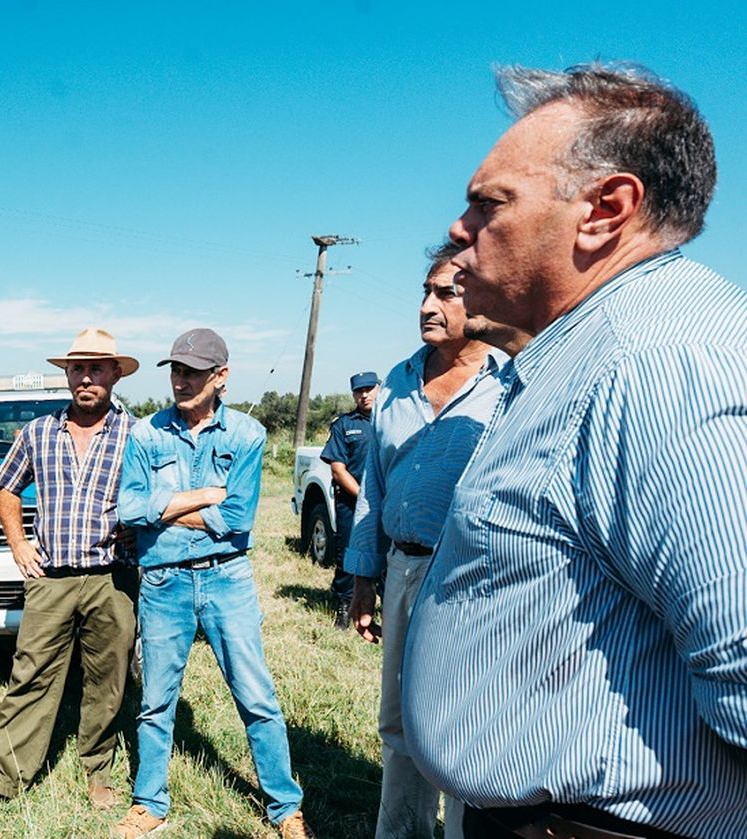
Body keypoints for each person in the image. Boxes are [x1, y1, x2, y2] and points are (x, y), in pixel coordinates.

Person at [404, 63, 747, 838]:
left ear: (604, 210)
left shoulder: (661, 364)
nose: (459, 229)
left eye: (488, 202)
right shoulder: (595, 354)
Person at [117, 328, 314, 839]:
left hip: (227, 579)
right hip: (163, 581)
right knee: (156, 699)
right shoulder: (146, 433)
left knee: (256, 697)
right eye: (176, 371)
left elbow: (238, 517)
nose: (180, 381)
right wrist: (202, 495)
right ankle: (149, 804)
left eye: (193, 372)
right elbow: (130, 508)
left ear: (220, 377)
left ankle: (284, 807)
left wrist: (166, 509)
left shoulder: (246, 434)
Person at [342, 243, 507, 839]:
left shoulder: (512, 383)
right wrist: (364, 583)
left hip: (475, 580)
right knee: (399, 724)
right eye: (426, 291)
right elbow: (375, 492)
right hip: (404, 570)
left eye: (447, 293)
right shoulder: (397, 383)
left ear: (482, 302)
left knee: (462, 728)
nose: (427, 306)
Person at [0, 328, 140, 821]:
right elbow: (6, 487)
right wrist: (19, 544)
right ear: (66, 374)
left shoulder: (137, 434)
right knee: (30, 674)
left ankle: (97, 767)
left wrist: (137, 530)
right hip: (51, 579)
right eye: (77, 368)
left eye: (97, 368)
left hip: (113, 578)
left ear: (115, 374)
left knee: (108, 678)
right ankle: (4, 777)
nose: (86, 378)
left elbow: (155, 496)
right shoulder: (38, 432)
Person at [320, 371, 378, 629]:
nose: (364, 395)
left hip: (388, 502)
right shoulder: (344, 424)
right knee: (348, 555)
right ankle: (345, 605)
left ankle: (385, 607)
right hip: (351, 502)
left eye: (369, 389)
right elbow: (338, 469)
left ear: (379, 388)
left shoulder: (393, 419)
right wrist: (366, 497)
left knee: (389, 555)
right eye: (358, 391)